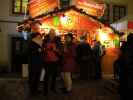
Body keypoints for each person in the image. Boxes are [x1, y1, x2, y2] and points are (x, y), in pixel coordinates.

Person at [43, 29, 62, 95]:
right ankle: (45, 90)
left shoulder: (58, 41)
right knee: (47, 75)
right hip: (47, 60)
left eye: (53, 33)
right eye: (51, 33)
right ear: (49, 34)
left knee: (54, 75)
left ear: (55, 34)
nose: (52, 35)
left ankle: (52, 88)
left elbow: (60, 51)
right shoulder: (45, 40)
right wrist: (45, 49)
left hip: (55, 60)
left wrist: (56, 50)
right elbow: (42, 49)